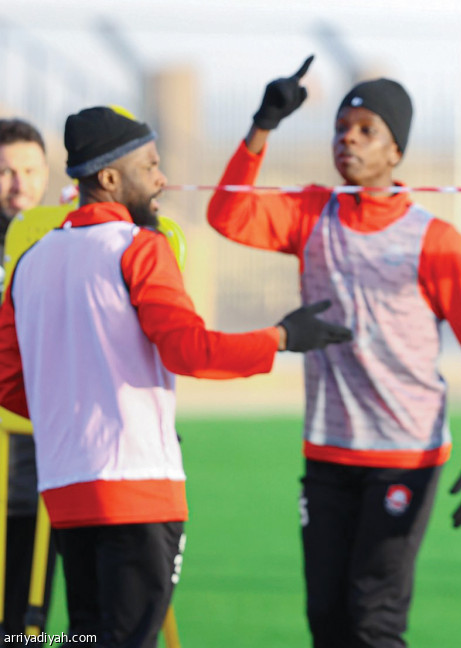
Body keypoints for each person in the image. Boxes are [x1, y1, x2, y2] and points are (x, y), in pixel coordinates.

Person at [0, 106, 351, 648]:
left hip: (66, 492)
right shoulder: (140, 247)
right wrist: (281, 337)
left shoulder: (30, 261)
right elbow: (190, 350)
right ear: (109, 178)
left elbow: (9, 381)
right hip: (137, 490)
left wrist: (75, 413)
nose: (162, 177)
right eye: (150, 165)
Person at [206, 57, 461, 648]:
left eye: (367, 130)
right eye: (341, 127)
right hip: (328, 448)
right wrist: (262, 127)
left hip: (404, 454)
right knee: (327, 621)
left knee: (374, 621)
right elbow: (228, 214)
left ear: (396, 151)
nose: (348, 138)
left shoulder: (434, 240)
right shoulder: (310, 213)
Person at [0, 117, 53, 639]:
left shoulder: (61, 242)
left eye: (30, 170)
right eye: (6, 171)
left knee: (28, 621)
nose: (19, 184)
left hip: (45, 458)